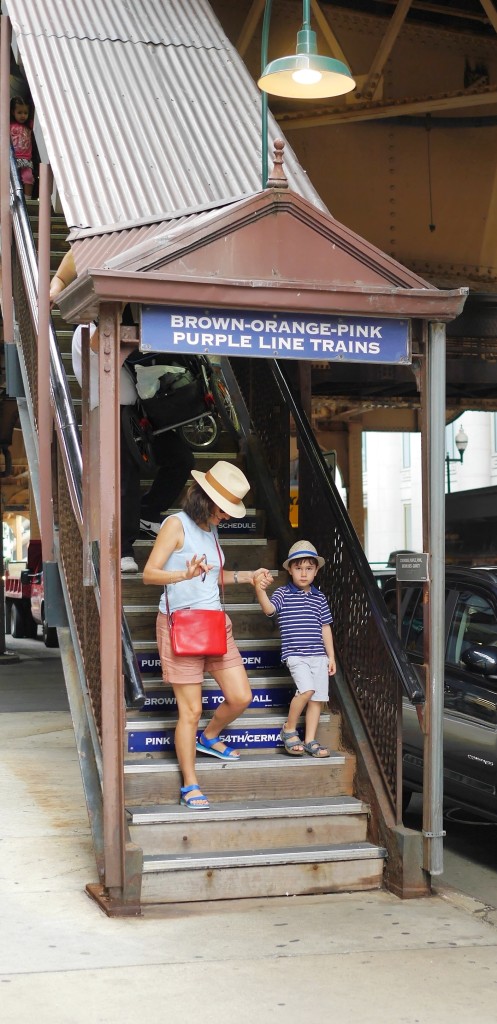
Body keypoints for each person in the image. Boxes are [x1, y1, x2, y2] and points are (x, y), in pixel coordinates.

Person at [143, 461, 273, 809]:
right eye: (224, 509)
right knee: (190, 710)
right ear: (205, 498)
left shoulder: (211, 529)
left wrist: (245, 576)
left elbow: (212, 576)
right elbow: (150, 574)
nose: (228, 517)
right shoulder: (176, 525)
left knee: (241, 696)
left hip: (215, 624)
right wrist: (182, 576)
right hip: (180, 626)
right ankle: (190, 783)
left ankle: (210, 737)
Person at [72, 323, 194, 572]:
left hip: (136, 413)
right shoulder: (85, 329)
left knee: (181, 458)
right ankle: (122, 550)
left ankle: (147, 513)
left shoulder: (115, 325)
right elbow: (100, 349)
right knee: (125, 478)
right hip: (109, 412)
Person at [254, 540, 336, 758]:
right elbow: (269, 610)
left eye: (309, 568)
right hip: (295, 654)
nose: (303, 573)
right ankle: (289, 728)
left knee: (317, 698)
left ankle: (310, 740)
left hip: (318, 654)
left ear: (316, 571)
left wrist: (331, 656)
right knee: (306, 690)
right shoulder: (283, 593)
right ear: (289, 569)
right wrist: (260, 591)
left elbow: (325, 627)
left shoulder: (320, 597)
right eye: (298, 568)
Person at [10, 96, 34, 197]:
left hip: (26, 159)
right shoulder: (10, 125)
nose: (23, 116)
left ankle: (27, 197)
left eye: (25, 113)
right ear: (13, 112)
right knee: (10, 178)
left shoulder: (30, 125)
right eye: (19, 113)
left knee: (28, 177)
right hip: (13, 158)